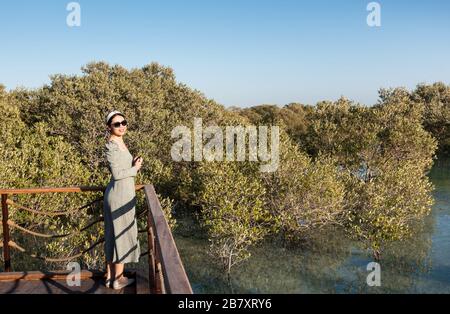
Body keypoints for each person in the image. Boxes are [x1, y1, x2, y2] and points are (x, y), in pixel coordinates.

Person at [103, 110, 143, 290]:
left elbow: (122, 165)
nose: (122, 126)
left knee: (115, 234)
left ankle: (111, 277)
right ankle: (118, 280)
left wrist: (132, 162)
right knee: (120, 235)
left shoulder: (120, 141)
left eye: (123, 122)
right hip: (119, 195)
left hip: (123, 193)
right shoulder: (111, 145)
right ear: (109, 127)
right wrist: (135, 168)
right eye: (117, 124)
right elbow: (117, 174)